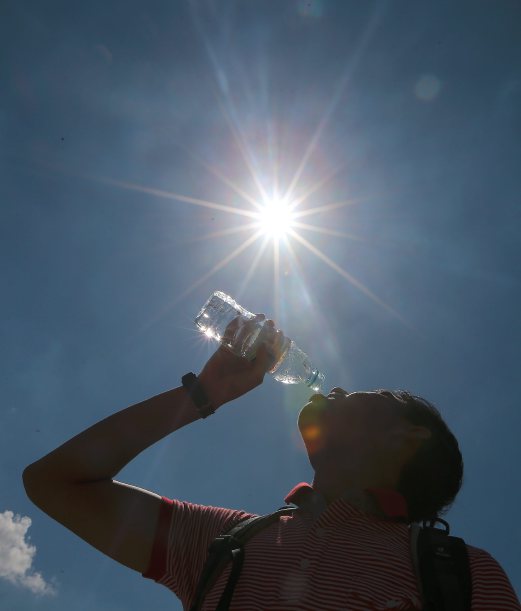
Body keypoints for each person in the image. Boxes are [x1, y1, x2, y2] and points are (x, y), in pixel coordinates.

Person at [23, 316, 520, 609]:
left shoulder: (462, 575)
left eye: (372, 395)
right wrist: (204, 394)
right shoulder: (226, 542)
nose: (341, 390)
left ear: (408, 438)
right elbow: (54, 482)